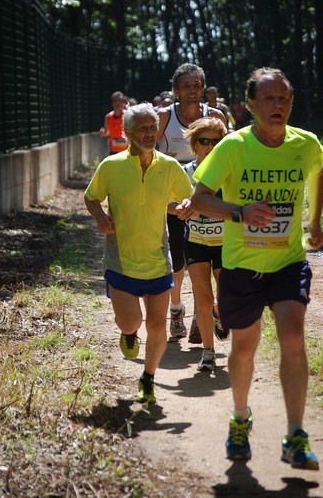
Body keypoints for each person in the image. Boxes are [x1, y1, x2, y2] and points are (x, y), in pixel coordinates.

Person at [191, 67, 323, 469]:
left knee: (294, 338)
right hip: (241, 264)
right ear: (251, 105)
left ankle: (295, 434)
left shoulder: (307, 144)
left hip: (287, 260)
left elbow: (318, 174)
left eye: (283, 98)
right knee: (245, 347)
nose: (277, 104)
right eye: (268, 98)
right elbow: (199, 198)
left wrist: (315, 221)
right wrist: (240, 212)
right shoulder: (232, 146)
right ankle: (240, 418)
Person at [85, 102, 193, 404]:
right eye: (143, 128)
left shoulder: (170, 167)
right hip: (121, 260)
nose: (150, 132)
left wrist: (184, 208)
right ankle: (129, 333)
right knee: (130, 322)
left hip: (158, 258)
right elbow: (91, 197)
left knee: (157, 325)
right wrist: (100, 218)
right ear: (128, 132)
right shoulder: (111, 166)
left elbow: (183, 200)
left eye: (153, 127)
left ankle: (148, 378)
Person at [157, 64, 225, 342]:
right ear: (175, 91)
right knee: (178, 262)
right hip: (176, 200)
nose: (192, 90)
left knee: (208, 260)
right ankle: (176, 310)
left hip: (209, 198)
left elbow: (227, 156)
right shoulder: (164, 117)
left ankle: (202, 318)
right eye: (186, 86)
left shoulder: (216, 116)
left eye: (197, 85)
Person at [181, 117, 229, 371]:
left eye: (216, 141)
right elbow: (173, 202)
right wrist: (181, 209)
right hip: (196, 242)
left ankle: (220, 313)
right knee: (202, 297)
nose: (210, 146)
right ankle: (208, 353)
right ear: (194, 143)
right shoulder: (186, 172)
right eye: (204, 141)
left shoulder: (230, 173)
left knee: (225, 297)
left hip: (226, 242)